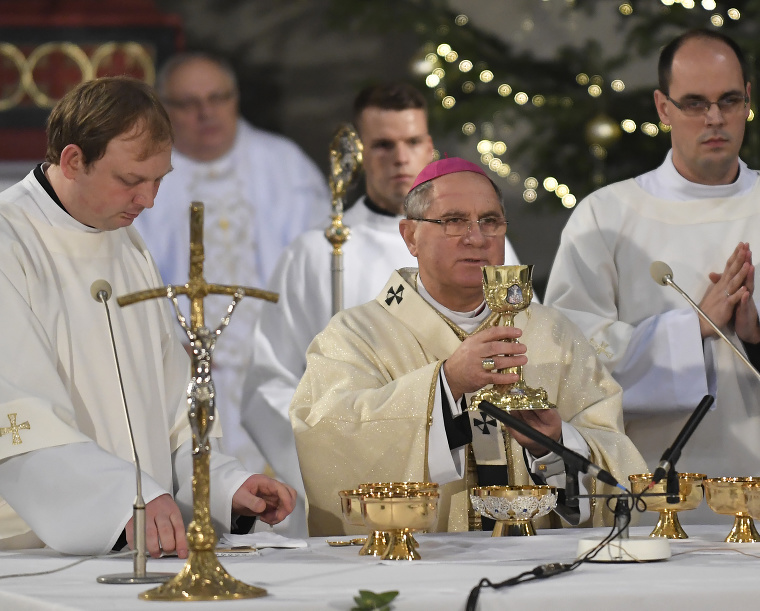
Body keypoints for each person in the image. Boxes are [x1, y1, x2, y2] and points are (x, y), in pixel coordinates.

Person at [544, 29, 760, 523]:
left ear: (748, 99)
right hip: (650, 505)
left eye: (729, 100)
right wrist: (692, 329)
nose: (715, 118)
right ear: (662, 108)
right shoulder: (603, 219)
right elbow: (568, 363)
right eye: (694, 103)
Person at [0, 77, 295, 556]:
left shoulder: (128, 245)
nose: (150, 199)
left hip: (141, 539)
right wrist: (120, 500)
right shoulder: (8, 243)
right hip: (27, 549)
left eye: (160, 179)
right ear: (74, 161)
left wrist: (222, 486)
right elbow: (18, 412)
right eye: (131, 180)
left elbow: (171, 406)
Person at [290, 157, 646, 536]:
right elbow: (328, 436)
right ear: (410, 236)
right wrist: (445, 384)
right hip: (426, 565)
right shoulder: (356, 334)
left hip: (536, 562)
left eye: (490, 221)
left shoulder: (553, 332)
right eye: (453, 221)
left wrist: (554, 445)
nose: (476, 238)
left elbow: (615, 455)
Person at [241, 83, 520, 536]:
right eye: (383, 145)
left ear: (430, 146)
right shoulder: (317, 254)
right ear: (359, 151)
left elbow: (526, 338)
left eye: (412, 142)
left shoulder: (488, 242)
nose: (400, 157)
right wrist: (330, 456)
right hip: (368, 492)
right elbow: (270, 384)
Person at [135, 52, 331, 474]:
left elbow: (317, 267)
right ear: (163, 108)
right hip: (183, 366)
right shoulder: (141, 174)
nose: (206, 113)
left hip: (278, 363)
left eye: (218, 97)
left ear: (235, 98)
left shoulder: (284, 165)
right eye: (187, 103)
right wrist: (169, 343)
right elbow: (131, 275)